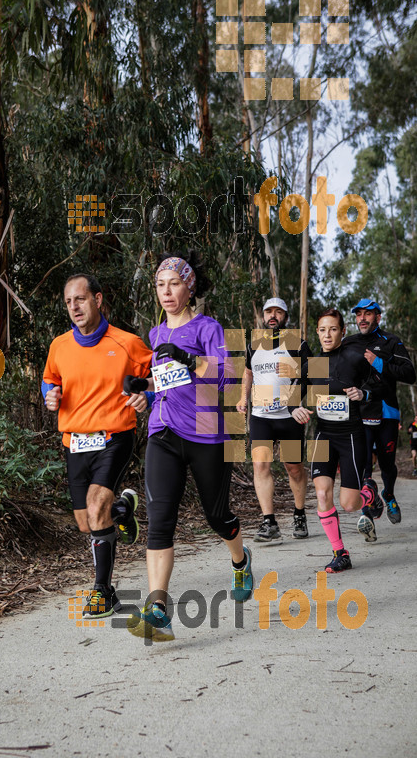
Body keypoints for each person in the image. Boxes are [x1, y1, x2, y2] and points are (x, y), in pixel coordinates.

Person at [124, 251, 254, 642]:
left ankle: (240, 559)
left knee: (218, 516)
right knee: (160, 519)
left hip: (206, 431)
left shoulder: (208, 328)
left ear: (189, 288)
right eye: (161, 284)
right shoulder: (155, 333)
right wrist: (142, 389)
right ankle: (158, 607)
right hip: (163, 431)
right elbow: (165, 379)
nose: (167, 291)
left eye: (174, 283)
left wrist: (188, 356)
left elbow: (227, 377)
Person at [42, 273, 153, 619]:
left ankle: (103, 592)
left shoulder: (127, 343)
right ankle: (122, 510)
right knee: (86, 522)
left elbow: (158, 374)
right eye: (69, 302)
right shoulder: (59, 345)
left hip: (114, 436)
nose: (74, 307)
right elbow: (49, 379)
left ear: (98, 300)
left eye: (80, 299)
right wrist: (50, 396)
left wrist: (146, 394)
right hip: (74, 441)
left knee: (94, 507)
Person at [289, 309, 383, 571]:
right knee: (321, 493)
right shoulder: (313, 364)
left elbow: (379, 386)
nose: (327, 334)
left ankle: (370, 494)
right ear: (317, 332)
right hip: (323, 434)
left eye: (333, 329)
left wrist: (362, 394)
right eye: (322, 329)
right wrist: (294, 409)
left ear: (342, 331)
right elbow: (292, 397)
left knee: (349, 504)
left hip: (351, 435)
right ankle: (340, 552)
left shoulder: (354, 357)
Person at [237, 298, 312, 543]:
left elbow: (310, 377)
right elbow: (248, 373)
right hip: (261, 418)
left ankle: (299, 514)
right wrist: (242, 398)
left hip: (289, 418)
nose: (272, 315)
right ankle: (269, 522)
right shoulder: (254, 345)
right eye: (269, 311)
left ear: (285, 317)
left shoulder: (297, 344)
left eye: (278, 312)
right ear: (263, 315)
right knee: (260, 466)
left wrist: (297, 403)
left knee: (294, 468)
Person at [343, 299, 416, 529]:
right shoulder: (348, 343)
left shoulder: (391, 341)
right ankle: (366, 513)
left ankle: (389, 494)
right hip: (358, 414)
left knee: (387, 465)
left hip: (386, 413)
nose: (362, 318)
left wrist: (379, 363)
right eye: (359, 314)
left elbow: (409, 374)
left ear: (378, 317)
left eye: (368, 314)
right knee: (363, 465)